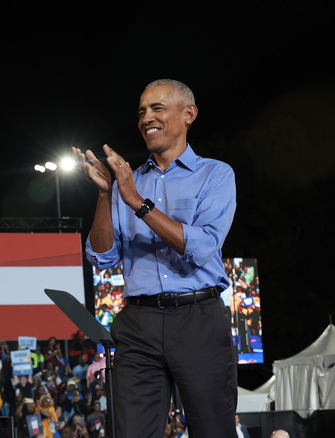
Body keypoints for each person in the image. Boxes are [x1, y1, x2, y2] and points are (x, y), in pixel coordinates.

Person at [74, 78, 237, 437]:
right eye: (141, 111)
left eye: (157, 108)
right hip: (138, 324)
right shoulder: (124, 183)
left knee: (213, 430)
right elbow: (101, 257)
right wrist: (106, 195)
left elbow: (202, 246)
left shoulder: (216, 174)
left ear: (188, 114)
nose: (146, 117)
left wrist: (137, 202)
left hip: (199, 320)